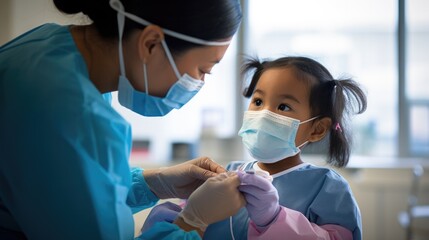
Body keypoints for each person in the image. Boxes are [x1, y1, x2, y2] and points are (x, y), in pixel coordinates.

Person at [0, 0, 244, 239]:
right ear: (150, 44)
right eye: (203, 69)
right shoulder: (77, 115)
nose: (200, 83)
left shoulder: (50, 50)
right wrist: (193, 221)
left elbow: (61, 190)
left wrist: (155, 183)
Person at [146, 56, 367, 239]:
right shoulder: (230, 172)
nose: (263, 114)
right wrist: (187, 212)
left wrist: (274, 218)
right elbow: (180, 227)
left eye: (283, 106)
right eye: (258, 101)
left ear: (317, 129)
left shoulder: (327, 187)